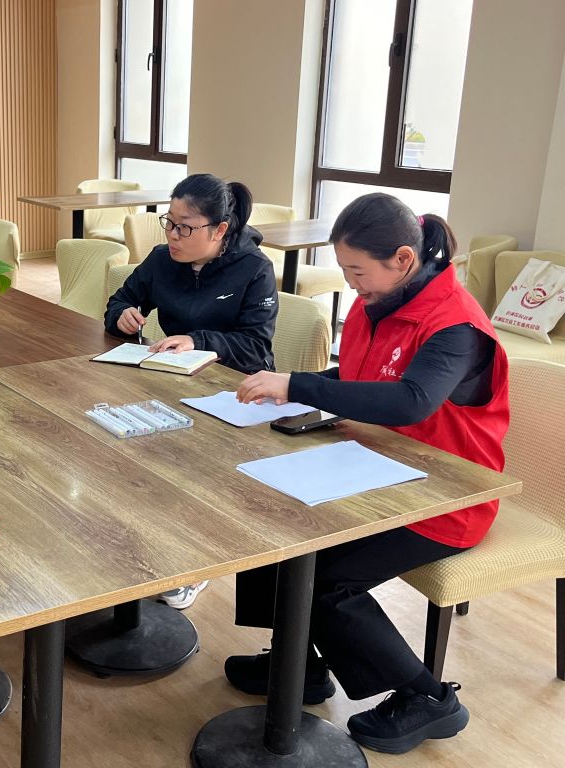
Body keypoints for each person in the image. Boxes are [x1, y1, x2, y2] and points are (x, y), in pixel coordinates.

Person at [228, 192, 509, 754]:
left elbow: (410, 401)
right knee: (272, 524)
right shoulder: (374, 302)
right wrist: (292, 387)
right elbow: (362, 374)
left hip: (448, 496)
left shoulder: (456, 326)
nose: (350, 284)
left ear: (403, 259)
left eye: (358, 271)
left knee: (327, 581)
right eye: (345, 270)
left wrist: (299, 385)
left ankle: (429, 698)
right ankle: (300, 665)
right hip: (376, 469)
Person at [105, 172, 278, 610]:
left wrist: (198, 340)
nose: (172, 236)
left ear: (219, 230)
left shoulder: (254, 269)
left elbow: (256, 349)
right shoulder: (162, 260)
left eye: (185, 228)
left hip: (236, 397)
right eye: (169, 222)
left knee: (189, 474)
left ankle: (193, 564)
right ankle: (138, 550)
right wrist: (122, 314)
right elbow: (120, 299)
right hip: (171, 386)